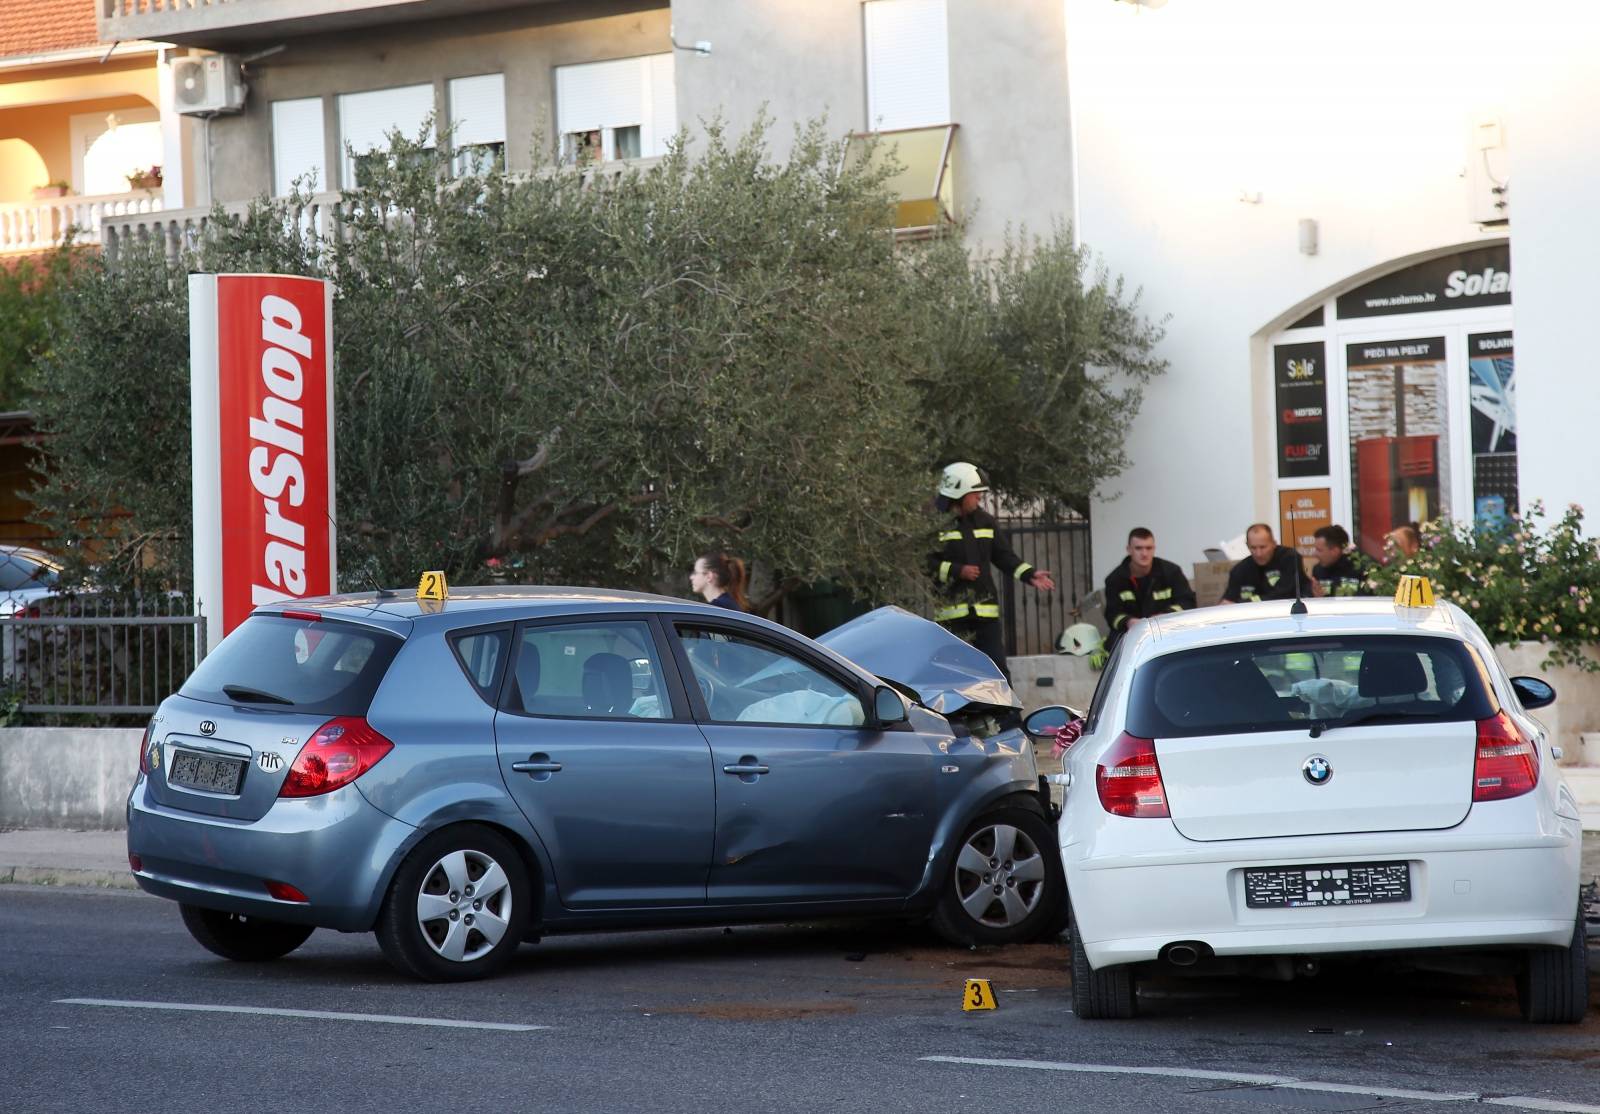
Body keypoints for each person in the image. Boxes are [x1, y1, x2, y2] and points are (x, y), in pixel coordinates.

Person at [929, 462, 1055, 678]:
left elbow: (1003, 556)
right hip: (952, 620)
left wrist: (1029, 574)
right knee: (956, 676)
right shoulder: (934, 524)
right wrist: (958, 570)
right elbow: (925, 564)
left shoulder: (985, 521)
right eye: (975, 493)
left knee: (997, 673)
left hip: (986, 615)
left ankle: (1010, 714)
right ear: (959, 493)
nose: (979, 498)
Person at [1102, 527, 1197, 647]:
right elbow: (1112, 614)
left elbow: (1188, 602)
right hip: (1131, 635)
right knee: (1113, 644)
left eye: (1148, 548)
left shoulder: (1171, 572)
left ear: (1154, 549)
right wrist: (1129, 622)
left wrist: (1164, 616)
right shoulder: (1115, 579)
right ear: (1129, 549)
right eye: (1138, 548)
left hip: (1167, 631)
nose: (1144, 553)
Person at [1221, 523, 1307, 604]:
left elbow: (1283, 595)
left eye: (1263, 547)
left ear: (1274, 544)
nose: (1258, 553)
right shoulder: (1239, 570)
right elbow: (1229, 600)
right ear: (1247, 545)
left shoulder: (1290, 558)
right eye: (1253, 548)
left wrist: (1244, 602)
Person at [1310, 524, 1368, 596]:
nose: (1314, 554)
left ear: (1335, 551)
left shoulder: (1361, 568)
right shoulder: (1318, 570)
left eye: (1319, 550)